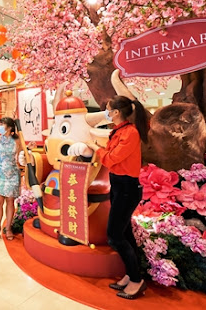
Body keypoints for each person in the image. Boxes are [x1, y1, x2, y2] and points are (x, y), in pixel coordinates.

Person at [84, 95, 149, 300]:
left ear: (116, 113)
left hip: (127, 188)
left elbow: (112, 159)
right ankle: (132, 274)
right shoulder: (117, 131)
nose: (106, 113)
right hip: (119, 186)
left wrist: (95, 147)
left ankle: (137, 280)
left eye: (108, 109)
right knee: (125, 231)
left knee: (114, 236)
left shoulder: (130, 133)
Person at [0, 117, 22, 241]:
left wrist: (29, 148)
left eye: (2, 124)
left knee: (10, 202)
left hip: (13, 173)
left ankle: (8, 228)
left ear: (10, 127)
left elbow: (24, 153)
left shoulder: (17, 140)